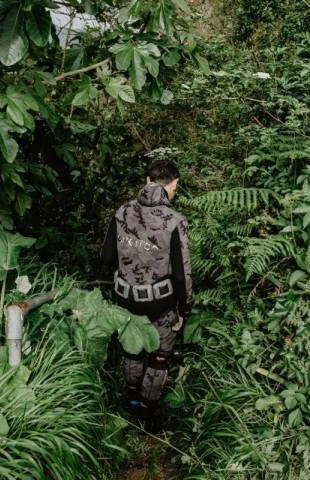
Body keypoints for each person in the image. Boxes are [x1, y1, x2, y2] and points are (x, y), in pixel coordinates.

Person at [101, 159, 192, 430]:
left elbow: (106, 258)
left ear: (147, 181)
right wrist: (184, 311)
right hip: (160, 303)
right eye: (175, 188)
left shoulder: (122, 211)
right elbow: (182, 274)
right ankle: (146, 413)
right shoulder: (175, 220)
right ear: (172, 185)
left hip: (126, 299)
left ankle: (129, 402)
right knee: (159, 356)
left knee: (132, 349)